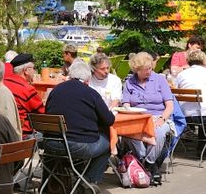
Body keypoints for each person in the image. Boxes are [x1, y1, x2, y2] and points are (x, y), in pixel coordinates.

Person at [45, 62, 114, 191]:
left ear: (70, 75)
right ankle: (88, 181)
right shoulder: (90, 93)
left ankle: (77, 178)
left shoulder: (55, 90)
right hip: (77, 145)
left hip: (51, 143)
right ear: (88, 79)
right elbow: (109, 120)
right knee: (106, 142)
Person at [122, 51, 174, 182]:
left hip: (158, 116)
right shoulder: (129, 82)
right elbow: (126, 103)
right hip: (138, 118)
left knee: (159, 132)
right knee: (129, 132)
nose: (149, 71)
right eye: (145, 69)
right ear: (136, 69)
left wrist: (162, 119)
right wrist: (128, 109)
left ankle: (149, 163)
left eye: (150, 68)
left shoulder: (160, 80)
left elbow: (169, 105)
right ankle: (145, 162)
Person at [3, 53, 45, 138]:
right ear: (26, 70)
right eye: (33, 68)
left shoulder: (3, 82)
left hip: (4, 130)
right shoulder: (27, 89)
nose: (34, 71)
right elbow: (42, 113)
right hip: (23, 134)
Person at [175, 49, 206, 152]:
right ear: (203, 60)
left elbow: (176, 91)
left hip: (185, 115)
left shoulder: (181, 74)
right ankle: (202, 149)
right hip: (203, 115)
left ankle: (201, 148)